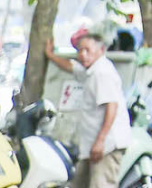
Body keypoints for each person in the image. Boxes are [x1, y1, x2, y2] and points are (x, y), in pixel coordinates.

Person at [43, 31, 132, 186]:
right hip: (92, 145)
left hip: (107, 146)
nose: (83, 55)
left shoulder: (102, 73)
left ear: (101, 51)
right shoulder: (90, 70)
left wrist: (101, 141)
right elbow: (72, 67)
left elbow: (112, 107)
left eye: (87, 50)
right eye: (80, 50)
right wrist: (50, 55)